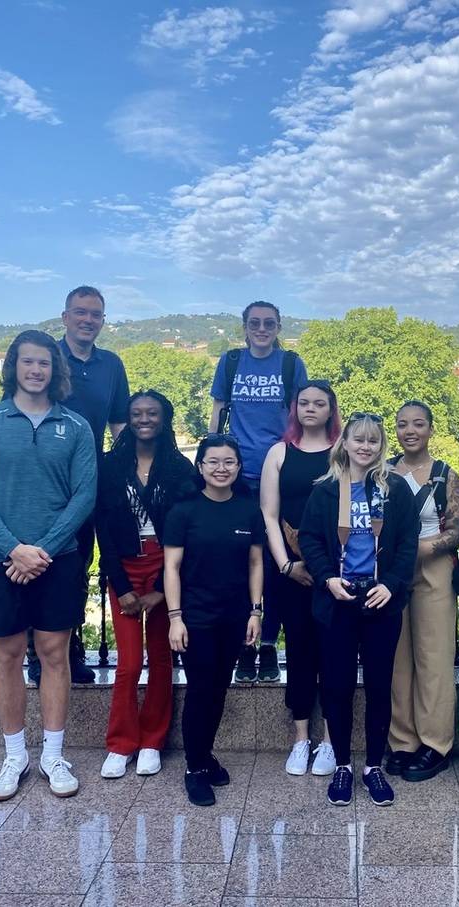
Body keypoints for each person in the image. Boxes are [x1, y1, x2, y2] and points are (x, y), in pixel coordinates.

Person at [0, 330, 96, 801]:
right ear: (14, 366)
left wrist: (43, 551)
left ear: (55, 371)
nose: (36, 370)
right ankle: (14, 755)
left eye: (44, 363)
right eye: (28, 362)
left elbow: (84, 497)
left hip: (58, 560)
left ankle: (53, 755)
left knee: (55, 655)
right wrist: (14, 548)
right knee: (8, 657)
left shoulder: (76, 426)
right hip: (0, 560)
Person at [298, 413, 419, 808]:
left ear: (381, 446)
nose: (366, 447)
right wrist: (327, 578)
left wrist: (392, 583)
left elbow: (407, 545)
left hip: (380, 600)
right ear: (344, 443)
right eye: (358, 440)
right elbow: (311, 540)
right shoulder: (327, 490)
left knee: (380, 684)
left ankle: (373, 767)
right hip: (339, 599)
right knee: (337, 684)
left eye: (373, 441)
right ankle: (343, 767)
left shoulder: (395, 489)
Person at [27, 286, 130, 686]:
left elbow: (120, 424)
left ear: (102, 321)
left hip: (92, 478)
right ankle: (41, 654)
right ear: (65, 316)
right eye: (81, 313)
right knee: (45, 562)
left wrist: (126, 477)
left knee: (78, 564)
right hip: (47, 477)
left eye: (96, 315)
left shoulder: (111, 364)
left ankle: (69, 650)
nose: (88, 320)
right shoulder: (46, 359)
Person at [95, 390, 200, 780]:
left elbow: (184, 529)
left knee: (160, 658)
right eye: (137, 413)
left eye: (152, 413)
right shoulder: (109, 466)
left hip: (165, 567)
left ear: (164, 418)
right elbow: (102, 528)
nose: (144, 419)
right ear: (128, 418)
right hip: (123, 566)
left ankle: (153, 741)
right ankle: (121, 744)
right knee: (126, 662)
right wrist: (120, 584)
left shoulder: (179, 468)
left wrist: (159, 586)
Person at [209, 301, 309, 684]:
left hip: (279, 473)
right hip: (236, 475)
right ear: (245, 327)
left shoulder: (290, 364)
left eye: (269, 323)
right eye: (255, 323)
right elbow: (219, 408)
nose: (262, 329)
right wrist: (213, 451)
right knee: (240, 560)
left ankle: (268, 644)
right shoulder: (231, 362)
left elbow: (302, 412)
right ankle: (243, 644)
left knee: (275, 562)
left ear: (278, 326)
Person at [164, 434, 266, 807]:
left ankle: (205, 755)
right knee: (201, 690)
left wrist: (256, 610)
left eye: (229, 462)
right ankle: (194, 767)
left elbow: (256, 563)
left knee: (219, 689)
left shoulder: (248, 510)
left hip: (234, 615)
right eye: (213, 462)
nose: (221, 469)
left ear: (238, 467)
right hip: (195, 616)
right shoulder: (183, 511)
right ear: (201, 466)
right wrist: (176, 618)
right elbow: (171, 568)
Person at [260, 380, 342, 777]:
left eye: (319, 403)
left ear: (331, 410)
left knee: (334, 654)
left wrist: (328, 570)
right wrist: (286, 565)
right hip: (291, 573)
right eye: (304, 403)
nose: (311, 409)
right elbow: (269, 516)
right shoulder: (279, 453)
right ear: (295, 409)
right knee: (298, 652)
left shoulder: (342, 454)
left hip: (334, 574)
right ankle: (300, 738)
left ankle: (330, 740)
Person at [384, 401, 459, 782]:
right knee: (397, 658)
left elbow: (456, 529)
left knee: (434, 658)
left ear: (431, 428)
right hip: (391, 574)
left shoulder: (445, 474)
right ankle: (403, 740)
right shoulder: (382, 473)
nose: (410, 430)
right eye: (402, 424)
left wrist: (416, 550)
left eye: (418, 424)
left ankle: (436, 743)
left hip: (433, 568)